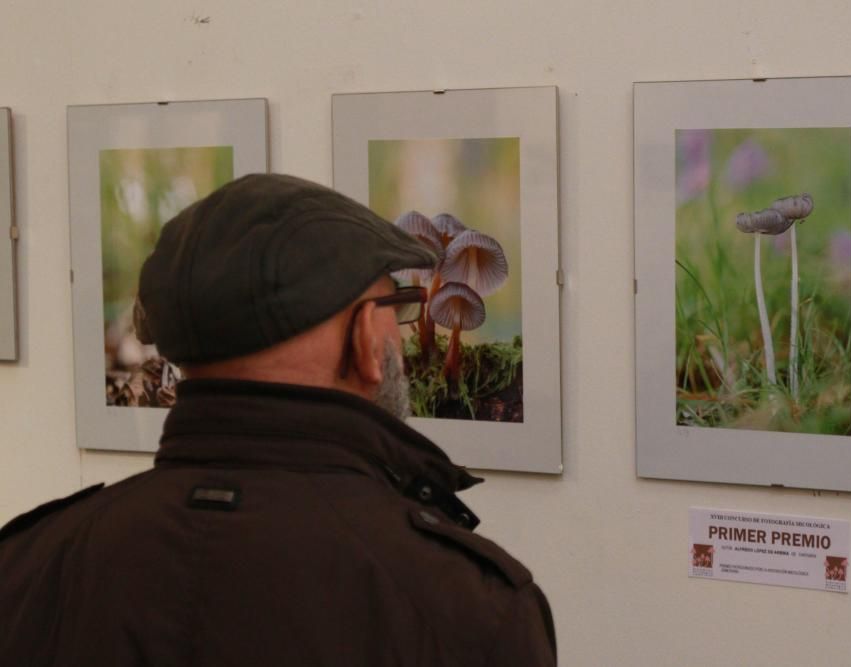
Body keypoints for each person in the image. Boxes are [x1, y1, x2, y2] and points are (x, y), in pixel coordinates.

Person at [0, 173, 557, 666]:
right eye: (398, 308)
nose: (402, 338)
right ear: (366, 336)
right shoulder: (467, 607)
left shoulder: (29, 564)